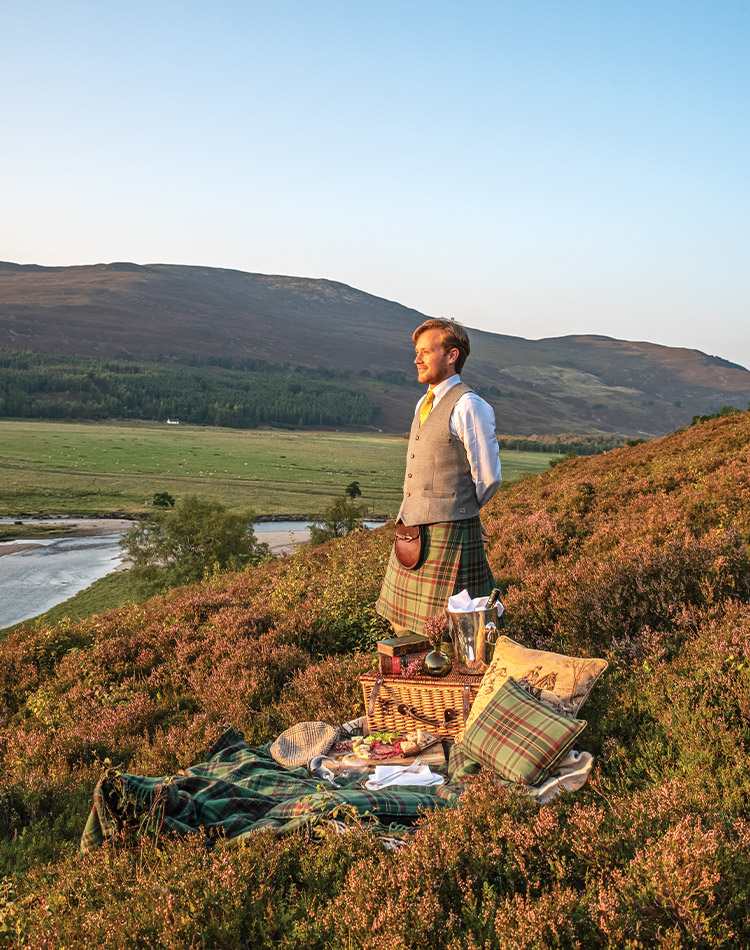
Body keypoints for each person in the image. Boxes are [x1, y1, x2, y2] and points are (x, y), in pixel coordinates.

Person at [376, 317, 502, 635]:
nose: (416, 359)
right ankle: (415, 681)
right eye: (416, 352)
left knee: (455, 628)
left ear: (451, 355)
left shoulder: (469, 406)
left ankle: (457, 681)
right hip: (412, 529)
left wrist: (465, 510)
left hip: (449, 533)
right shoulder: (424, 402)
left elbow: (489, 476)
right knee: (401, 623)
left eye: (425, 352)